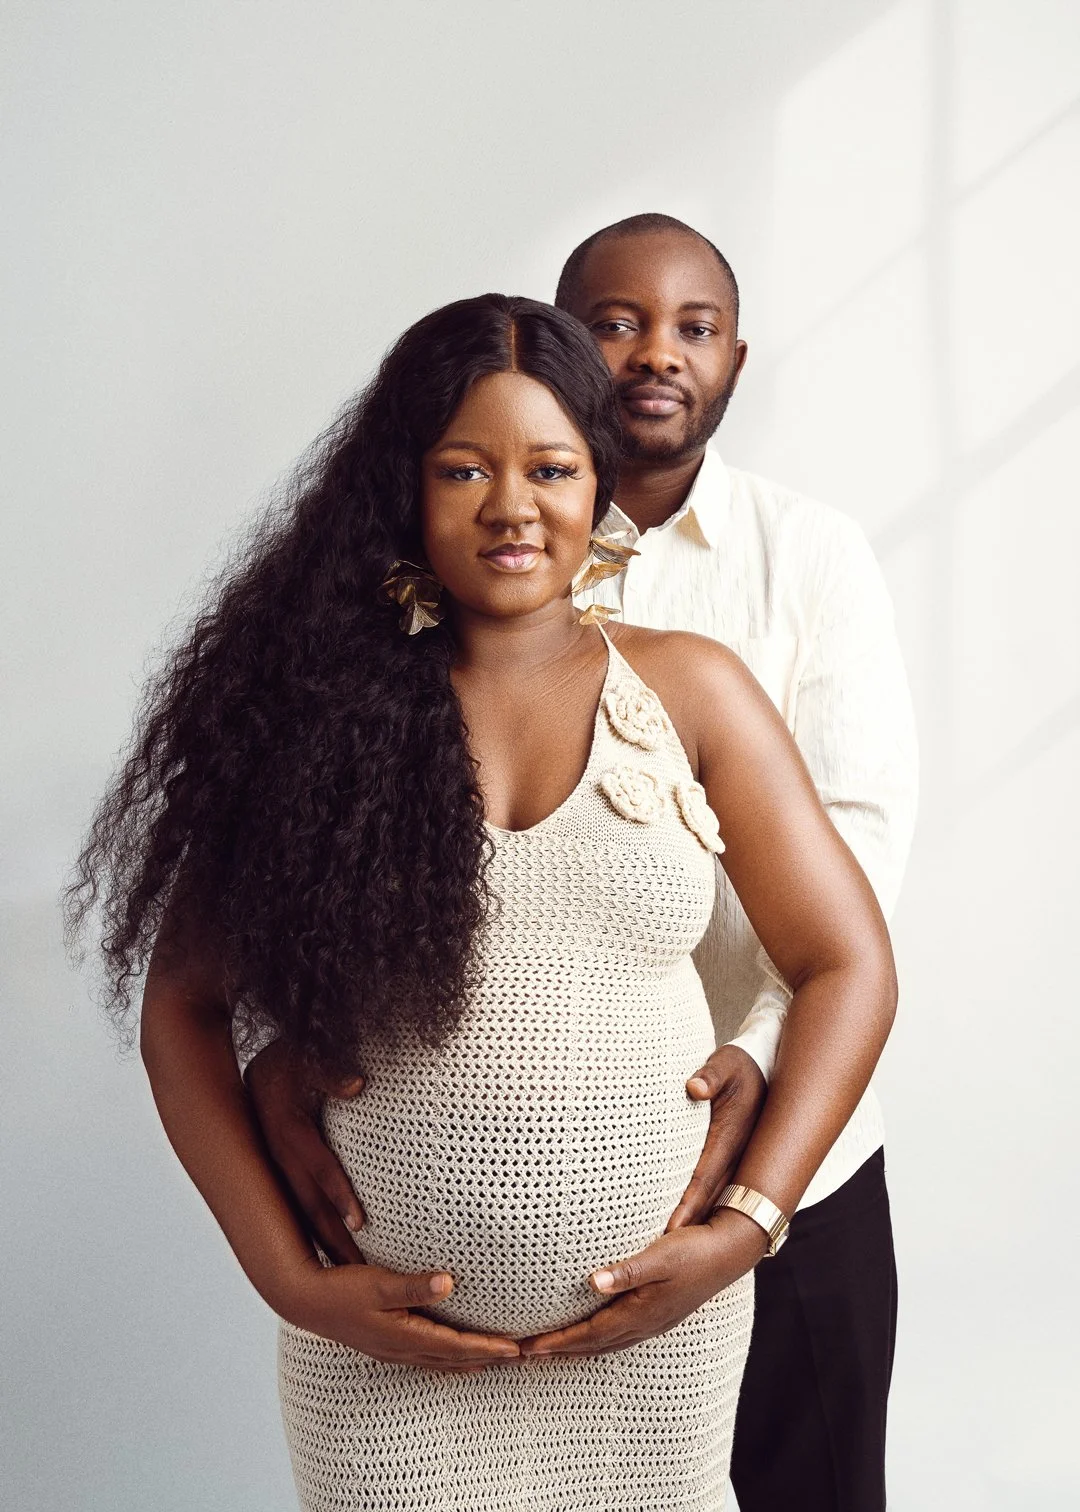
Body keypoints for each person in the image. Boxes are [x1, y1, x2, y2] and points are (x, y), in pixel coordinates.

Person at [69, 292, 897, 1512]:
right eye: (464, 470)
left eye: (551, 468)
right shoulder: (321, 713)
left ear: (598, 483)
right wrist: (288, 1283)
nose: (512, 507)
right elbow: (185, 1006)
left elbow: (849, 964)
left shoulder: (692, 692)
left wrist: (745, 1230)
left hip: (650, 1354)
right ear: (403, 488)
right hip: (383, 1362)